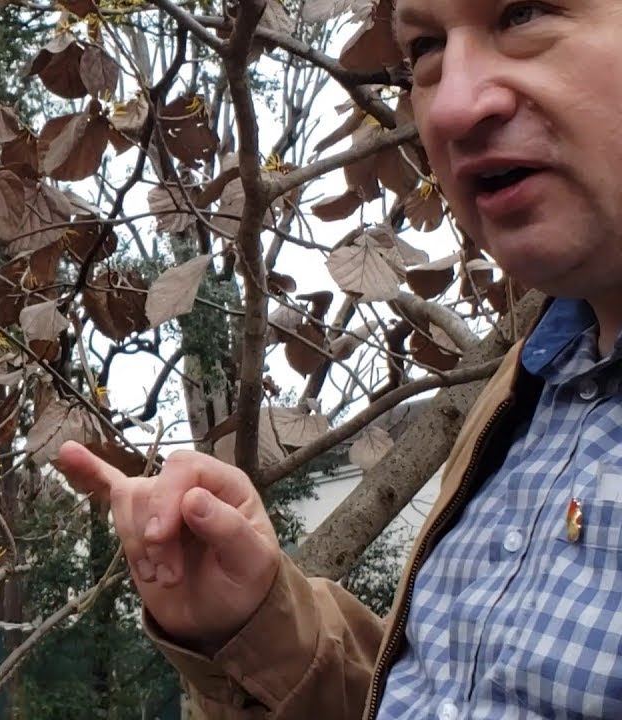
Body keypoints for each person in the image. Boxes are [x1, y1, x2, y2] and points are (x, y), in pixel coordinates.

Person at [54, 1, 622, 717]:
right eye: (424, 48)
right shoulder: (527, 392)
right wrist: (256, 626)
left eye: (524, 13)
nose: (449, 107)